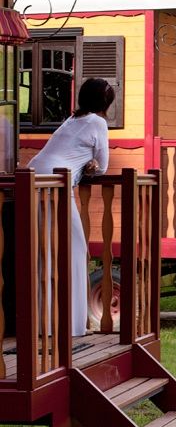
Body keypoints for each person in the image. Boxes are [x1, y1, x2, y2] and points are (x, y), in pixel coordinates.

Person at [28, 77, 115, 336]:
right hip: (56, 184)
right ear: (106, 102)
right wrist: (90, 166)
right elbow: (104, 166)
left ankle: (44, 323)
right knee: (75, 251)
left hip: (36, 175)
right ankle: (71, 325)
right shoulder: (98, 122)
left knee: (43, 252)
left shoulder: (72, 119)